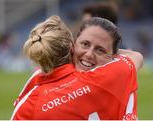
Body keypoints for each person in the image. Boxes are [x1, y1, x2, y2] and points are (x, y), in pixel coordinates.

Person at [11, 15, 143, 120]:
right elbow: (136, 56)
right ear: (72, 45)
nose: (89, 54)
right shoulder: (115, 73)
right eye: (85, 44)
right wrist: (108, 51)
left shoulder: (33, 95)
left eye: (100, 50)